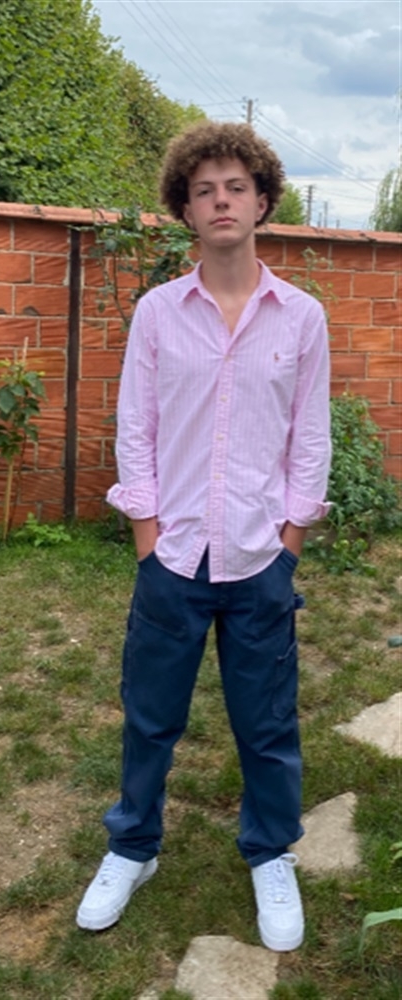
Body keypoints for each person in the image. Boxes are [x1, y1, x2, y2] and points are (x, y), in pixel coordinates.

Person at [76, 122, 331, 952]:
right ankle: (132, 847)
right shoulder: (157, 313)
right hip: (173, 557)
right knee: (150, 717)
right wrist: (146, 535)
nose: (220, 201)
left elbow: (309, 437)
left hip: (261, 558)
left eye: (235, 187)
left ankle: (269, 852)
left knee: (267, 722)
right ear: (185, 209)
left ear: (262, 201)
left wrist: (290, 540)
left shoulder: (301, 318)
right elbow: (136, 428)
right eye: (203, 190)